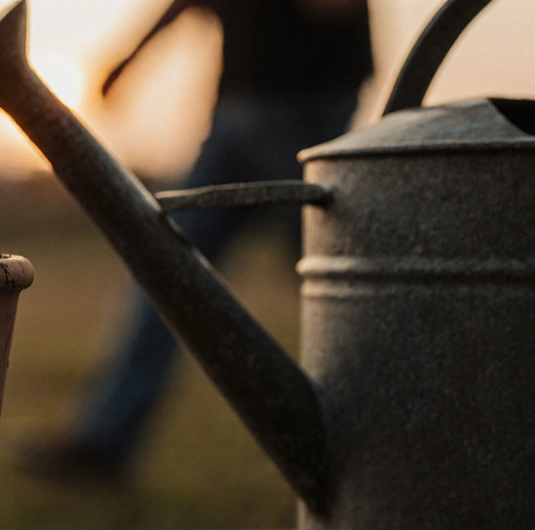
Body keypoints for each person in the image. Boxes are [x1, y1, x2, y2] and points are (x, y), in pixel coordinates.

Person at [22, 0, 373, 484]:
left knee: (345, 288)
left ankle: (394, 442)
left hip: (305, 111)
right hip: (233, 115)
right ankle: (103, 443)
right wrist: (128, 62)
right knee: (162, 267)